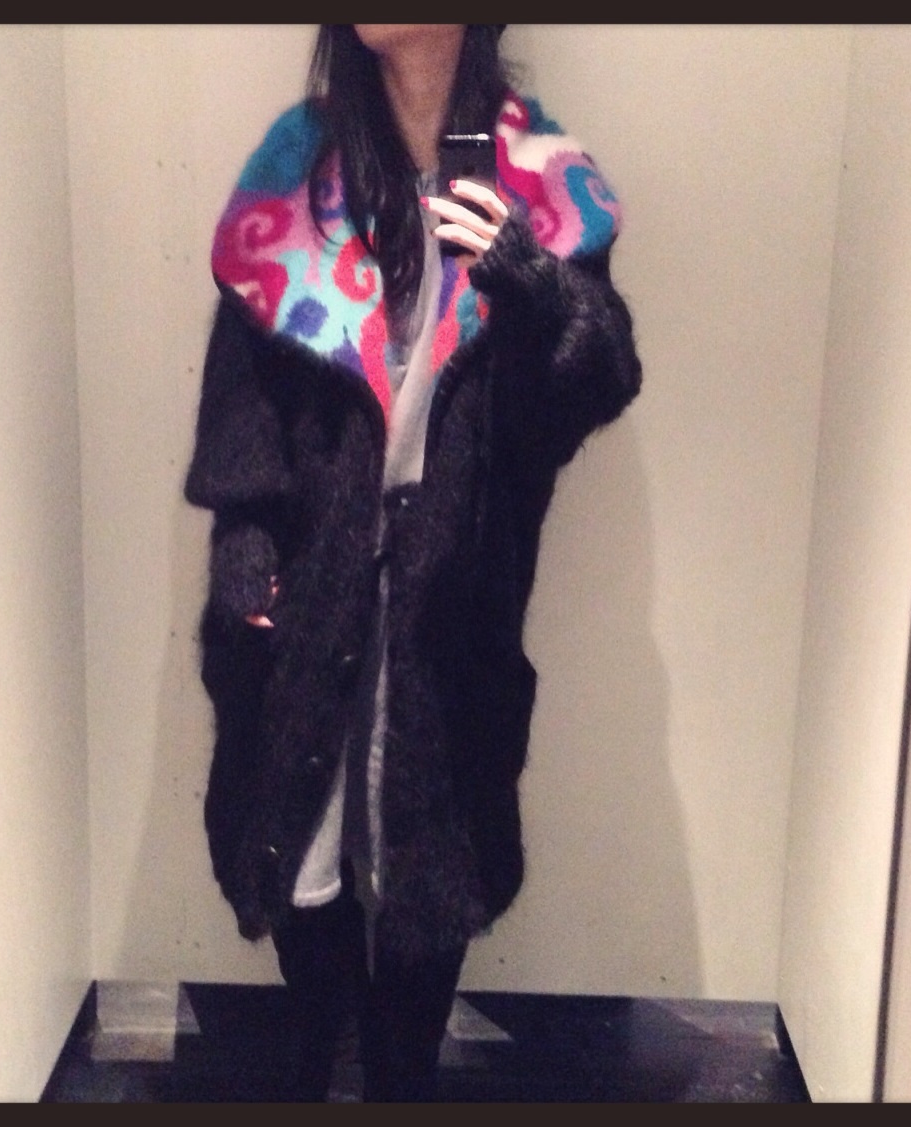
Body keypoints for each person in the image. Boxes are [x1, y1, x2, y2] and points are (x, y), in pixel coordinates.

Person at [185, 24, 642, 1101]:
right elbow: (245, 380)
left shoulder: (544, 179)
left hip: (454, 593)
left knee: (427, 865)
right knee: (296, 843)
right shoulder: (298, 168)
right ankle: (318, 1048)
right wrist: (244, 534)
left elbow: (591, 385)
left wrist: (530, 279)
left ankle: (401, 1077)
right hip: (312, 581)